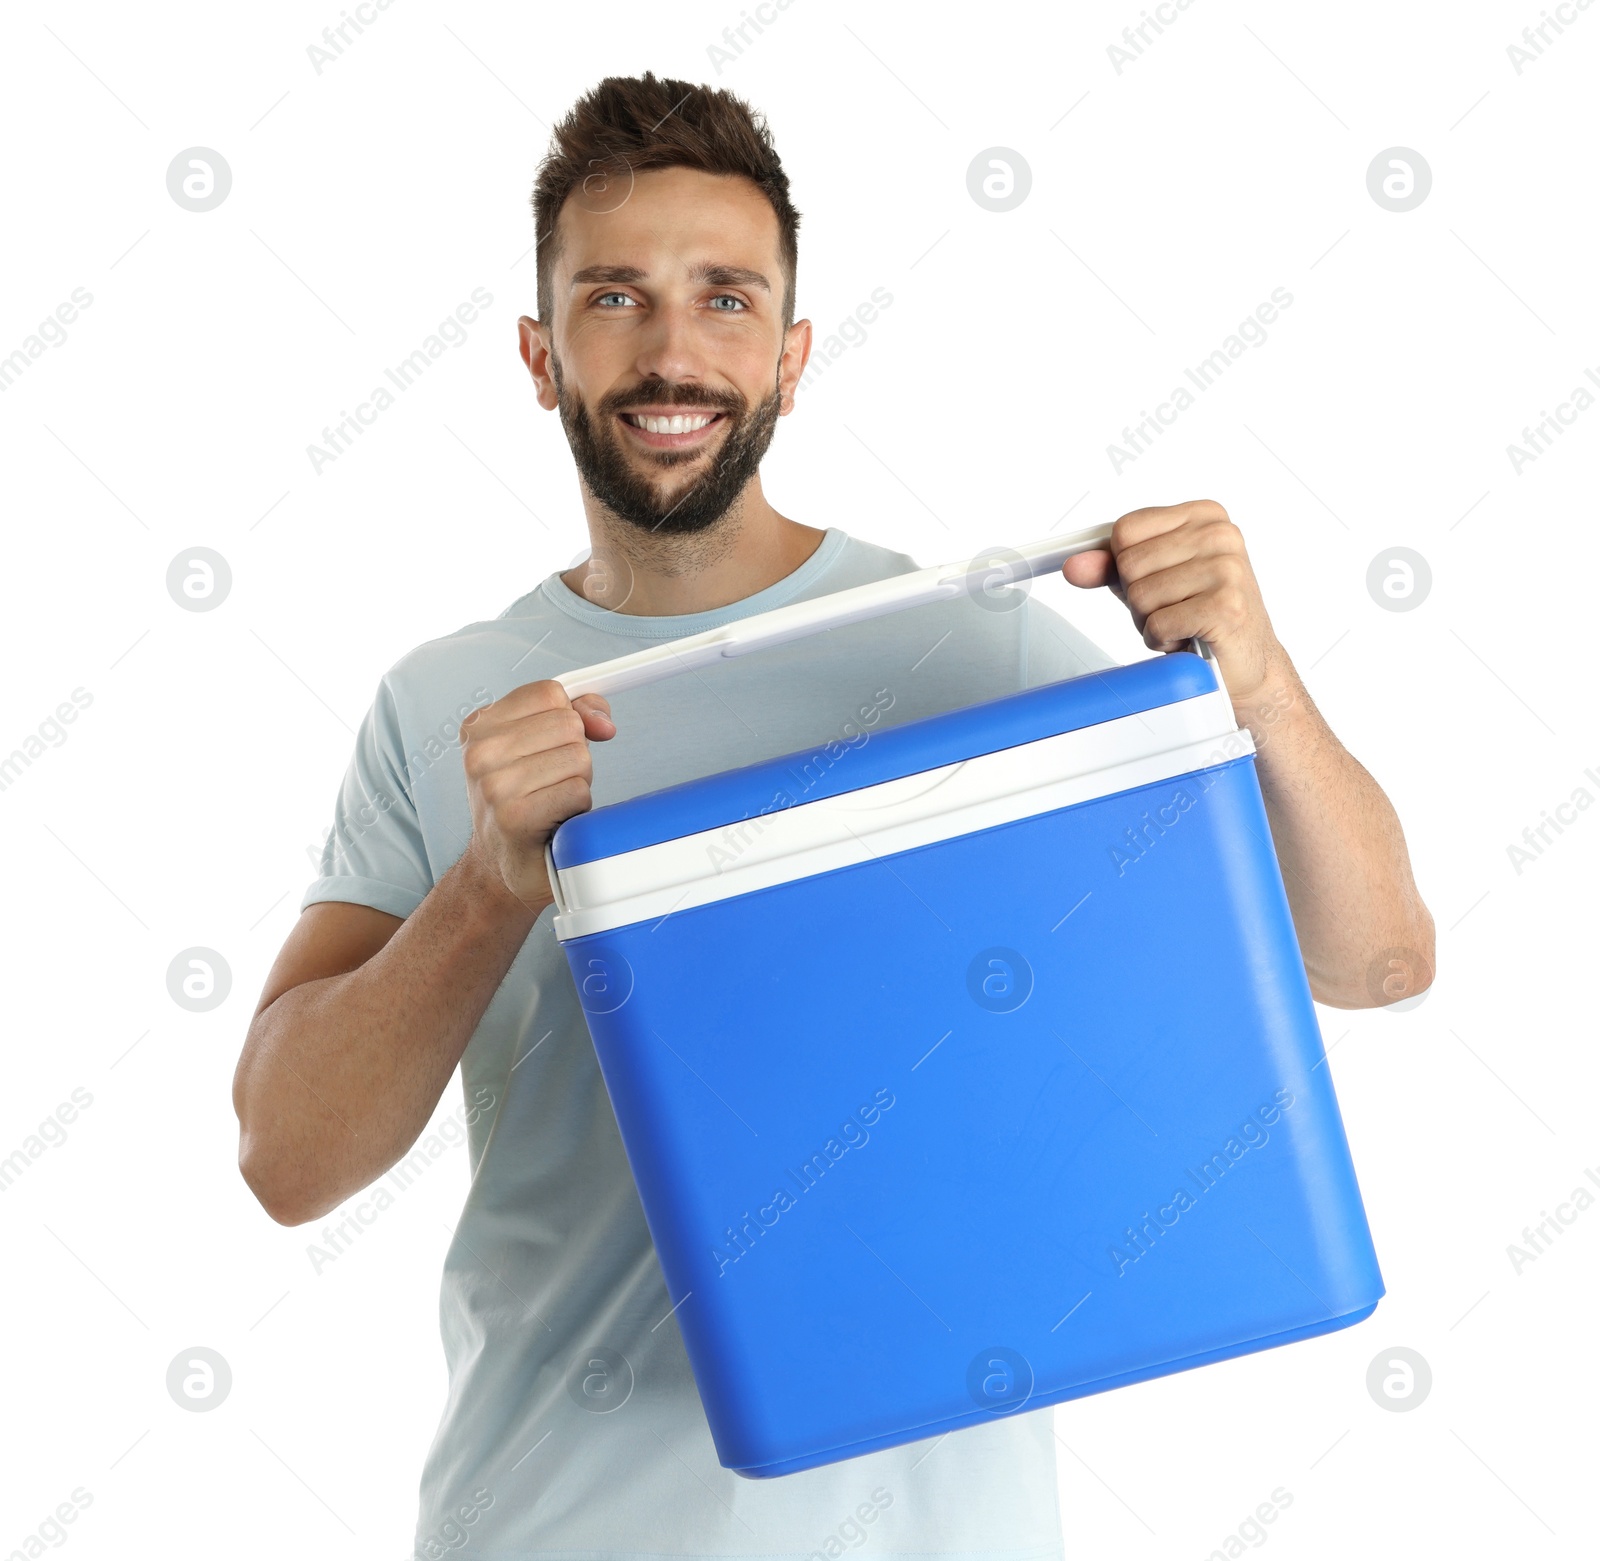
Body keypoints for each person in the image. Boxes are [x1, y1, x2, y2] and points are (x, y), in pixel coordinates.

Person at [232, 70, 1434, 1560]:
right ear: (541, 357)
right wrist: (487, 885)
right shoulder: (446, 708)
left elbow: (1378, 961)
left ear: (794, 356)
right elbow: (287, 1160)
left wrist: (1258, 678)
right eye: (616, 298)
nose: (674, 351)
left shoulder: (970, 652)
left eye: (726, 299)